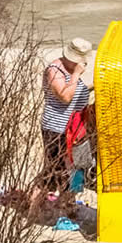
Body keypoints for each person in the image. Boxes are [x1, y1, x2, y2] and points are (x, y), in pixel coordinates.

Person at [40, 38, 94, 193]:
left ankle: (70, 202)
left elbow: (76, 93)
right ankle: (39, 203)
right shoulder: (55, 70)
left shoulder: (71, 70)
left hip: (77, 128)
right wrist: (76, 74)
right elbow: (65, 97)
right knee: (55, 169)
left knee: (78, 166)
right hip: (57, 127)